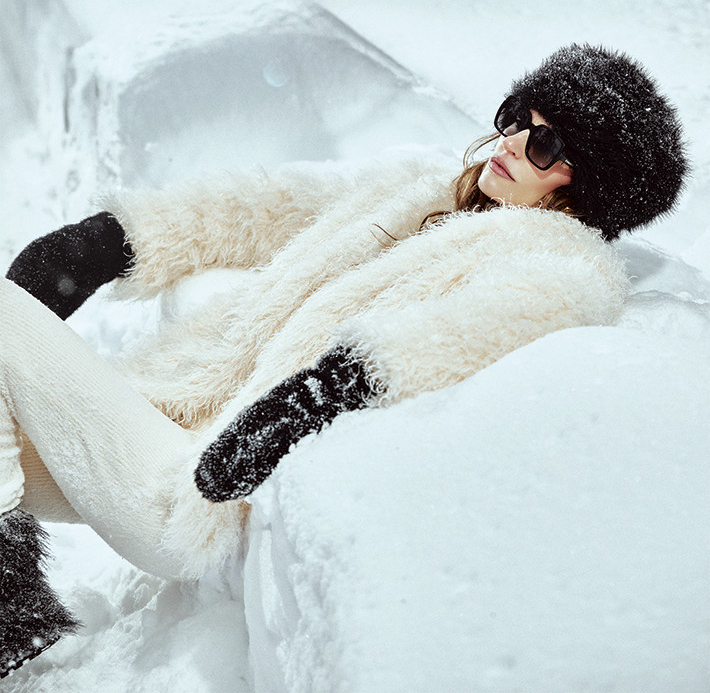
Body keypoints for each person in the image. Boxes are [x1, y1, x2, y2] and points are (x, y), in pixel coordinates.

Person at [0, 43, 687, 677]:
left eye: (545, 144)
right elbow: (267, 206)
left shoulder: (564, 268)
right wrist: (111, 239)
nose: (511, 142)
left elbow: (458, 335)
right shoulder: (424, 191)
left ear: (591, 187)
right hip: (158, 420)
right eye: (517, 118)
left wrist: (308, 400)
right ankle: (13, 610)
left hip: (196, 488)